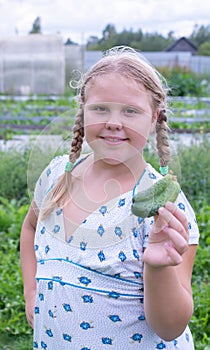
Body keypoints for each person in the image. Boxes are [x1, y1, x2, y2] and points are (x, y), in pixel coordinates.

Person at [20, 46, 199, 350]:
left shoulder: (165, 206)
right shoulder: (56, 176)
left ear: (154, 117)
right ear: (83, 109)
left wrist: (158, 268)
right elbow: (29, 229)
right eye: (101, 108)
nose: (115, 122)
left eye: (130, 111)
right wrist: (31, 288)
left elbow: (170, 327)